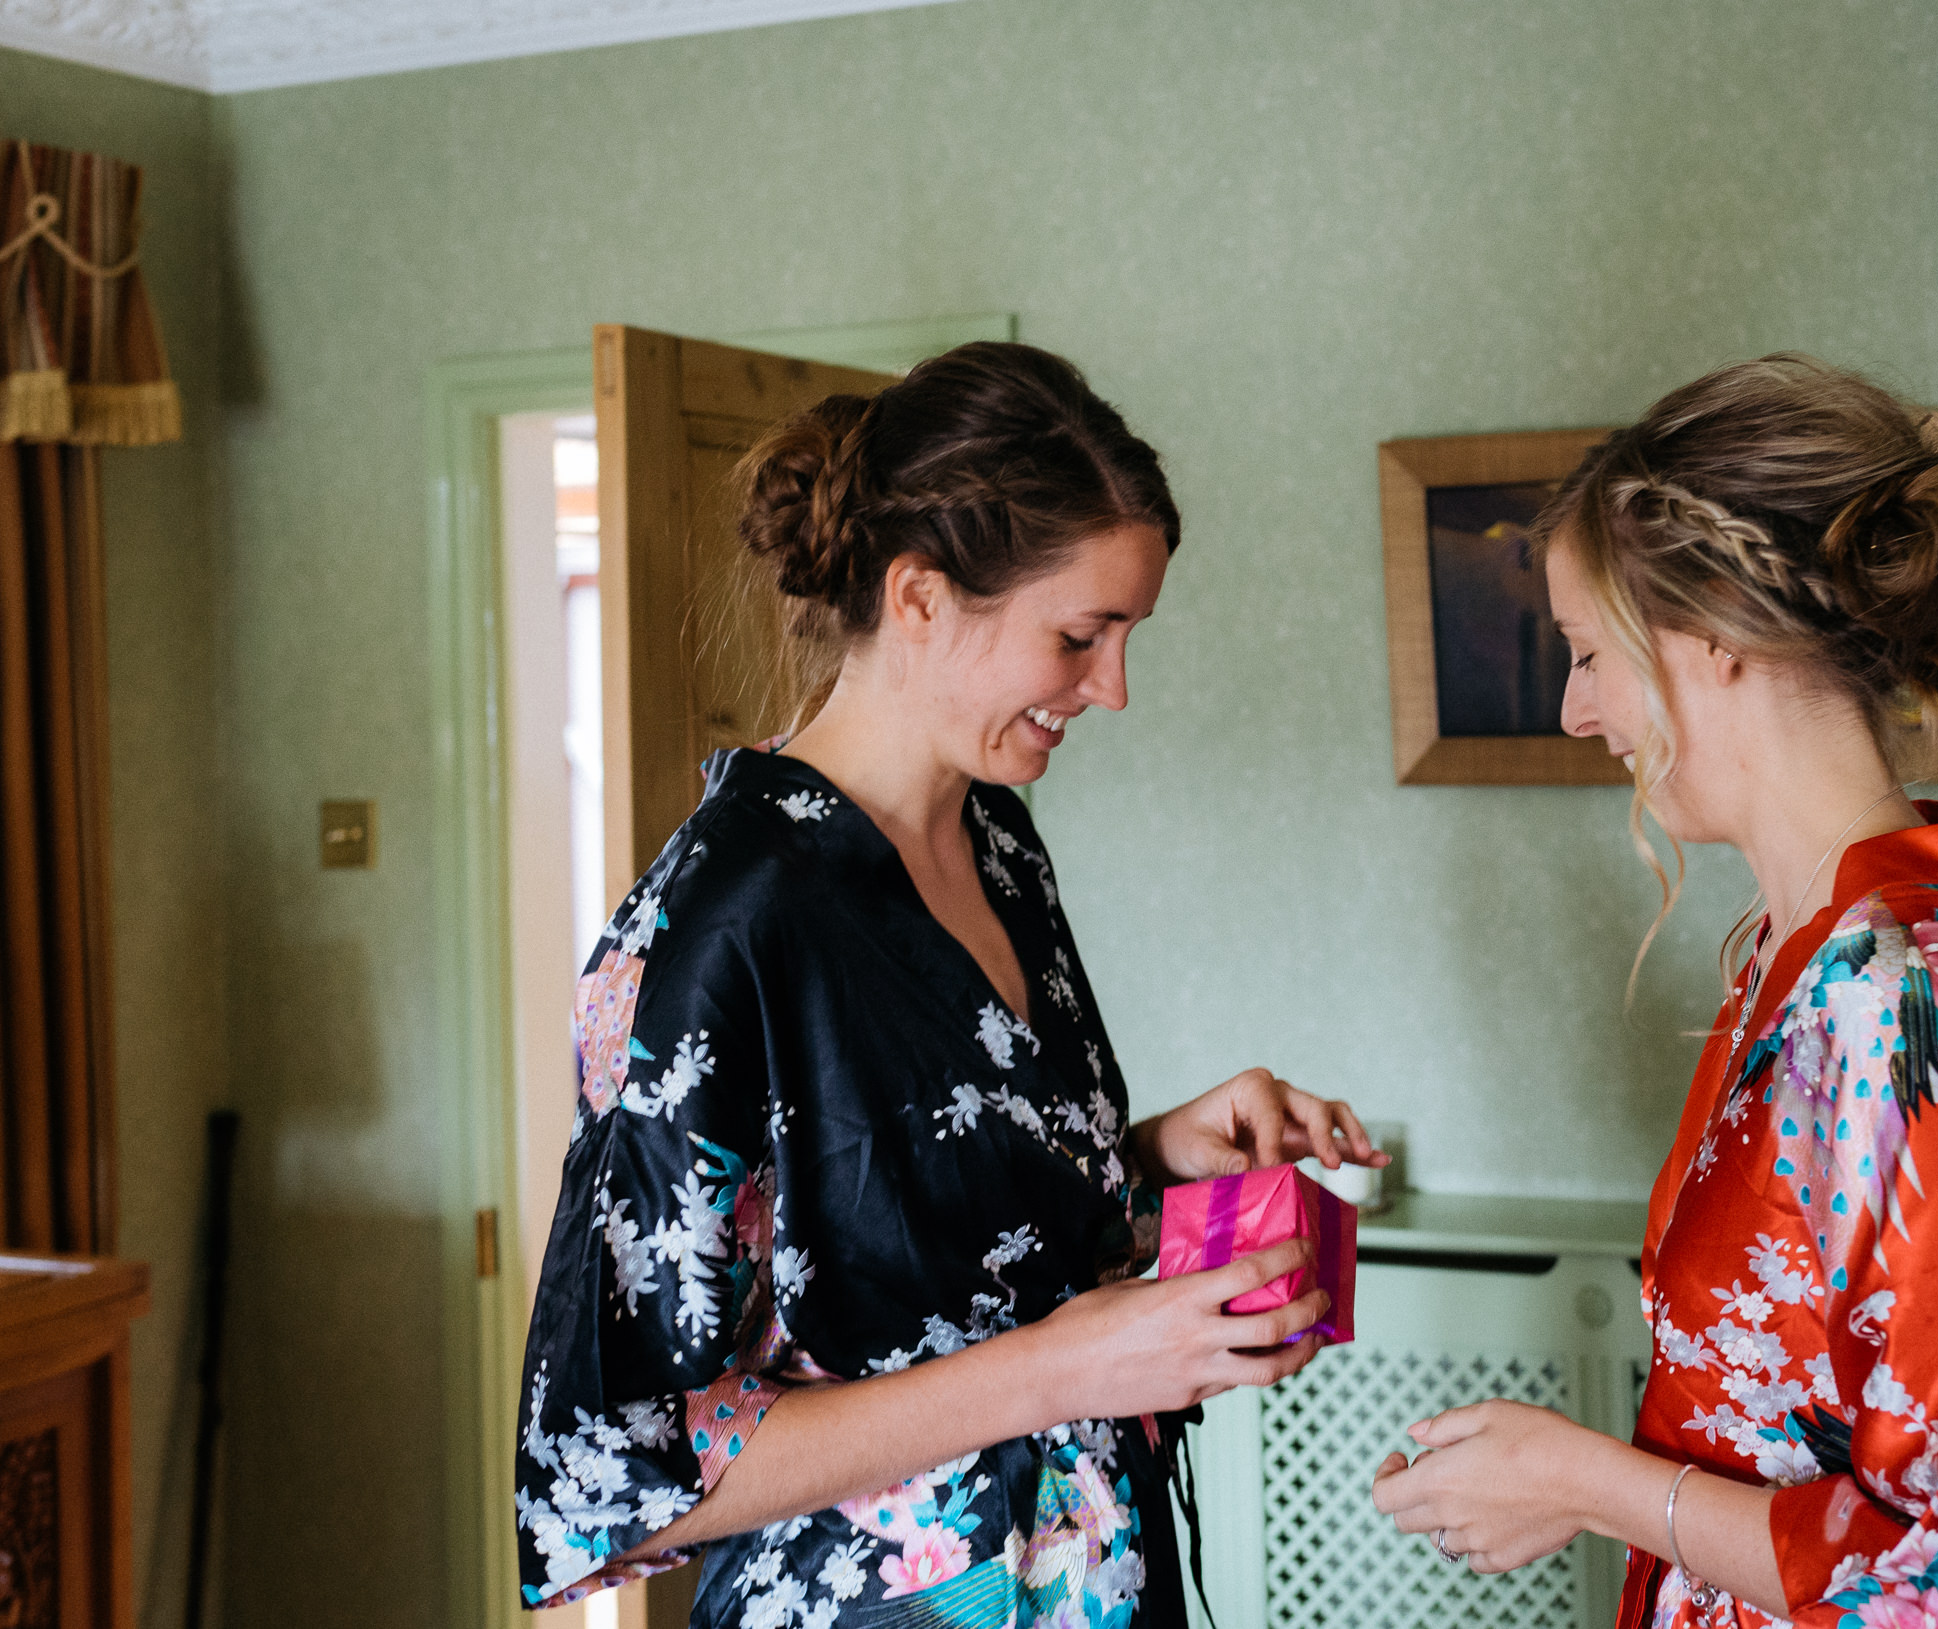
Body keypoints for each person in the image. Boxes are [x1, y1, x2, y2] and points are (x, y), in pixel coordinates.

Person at [514, 342, 1387, 1629]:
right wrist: (1064, 1367)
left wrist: (1147, 1165)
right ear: (919, 597)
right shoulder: (723, 929)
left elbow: (919, 1251)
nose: (1114, 689)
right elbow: (613, 1467)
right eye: (1079, 636)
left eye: (1127, 636)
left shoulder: (992, 841)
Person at [1371, 355, 1938, 1628]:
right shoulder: (1793, 954)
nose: (1575, 707)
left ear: (1709, 643)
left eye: (1592, 652)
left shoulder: (1890, 994)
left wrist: (1591, 1481)